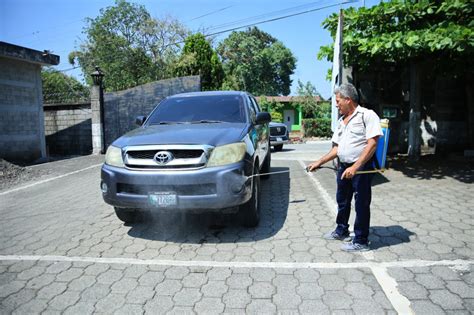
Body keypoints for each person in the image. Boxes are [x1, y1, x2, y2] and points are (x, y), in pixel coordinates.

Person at [307, 83, 382, 252]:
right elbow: (336, 148)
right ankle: (341, 230)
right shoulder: (342, 121)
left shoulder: (367, 115)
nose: (336, 104)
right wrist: (319, 162)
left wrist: (355, 167)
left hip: (361, 168)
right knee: (342, 200)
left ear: (348, 100)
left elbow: (372, 144)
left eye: (338, 100)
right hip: (344, 167)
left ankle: (361, 240)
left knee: (361, 203)